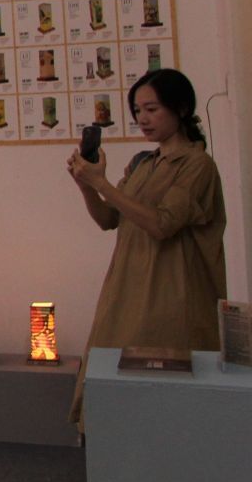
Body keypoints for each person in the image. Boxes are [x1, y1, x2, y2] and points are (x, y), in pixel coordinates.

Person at [65, 68, 227, 430]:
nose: (143, 119)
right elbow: (108, 218)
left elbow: (162, 223)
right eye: (138, 111)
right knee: (115, 389)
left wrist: (103, 182)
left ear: (181, 109)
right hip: (127, 287)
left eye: (152, 109)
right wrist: (87, 185)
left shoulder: (197, 165)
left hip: (171, 294)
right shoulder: (143, 163)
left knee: (167, 402)